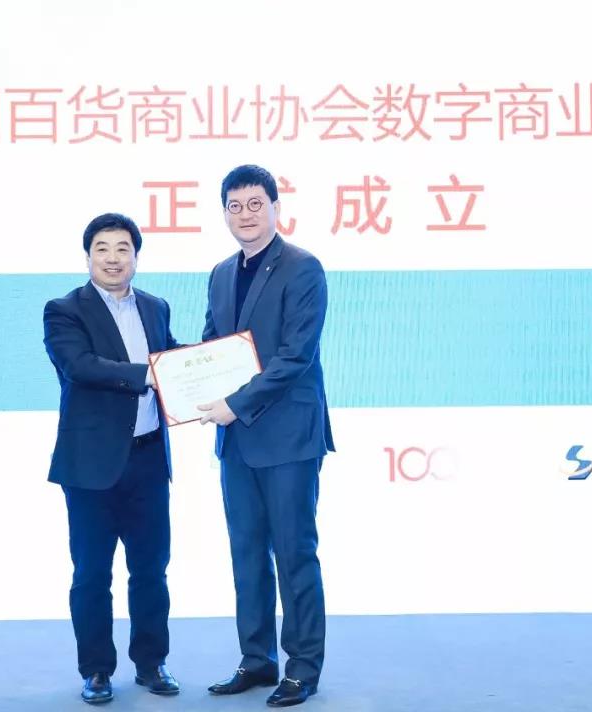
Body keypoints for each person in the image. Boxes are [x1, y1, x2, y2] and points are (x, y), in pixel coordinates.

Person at [199, 165, 335, 707]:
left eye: (256, 203)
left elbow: (295, 357)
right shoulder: (220, 273)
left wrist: (234, 404)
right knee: (247, 554)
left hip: (287, 438)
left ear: (276, 207)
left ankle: (302, 668)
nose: (246, 215)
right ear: (224, 213)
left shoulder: (303, 268)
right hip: (236, 441)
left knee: (294, 553)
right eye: (235, 206)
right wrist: (185, 380)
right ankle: (256, 659)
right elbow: (213, 347)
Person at [43, 212, 180, 704]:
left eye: (123, 248)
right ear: (88, 257)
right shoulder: (64, 311)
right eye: (102, 248)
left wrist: (214, 365)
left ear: (136, 257)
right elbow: (80, 366)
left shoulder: (156, 307)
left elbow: (172, 360)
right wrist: (148, 374)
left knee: (151, 571)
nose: (113, 258)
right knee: (91, 575)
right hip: (90, 467)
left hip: (148, 460)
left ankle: (152, 663)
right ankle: (97, 670)